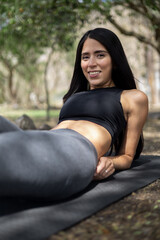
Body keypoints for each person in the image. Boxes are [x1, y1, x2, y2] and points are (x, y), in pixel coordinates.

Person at [0, 28, 148, 201]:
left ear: (114, 60)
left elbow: (128, 157)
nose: (91, 63)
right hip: (44, 140)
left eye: (100, 55)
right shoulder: (74, 96)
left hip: (74, 152)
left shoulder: (132, 97)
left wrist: (111, 162)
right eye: (85, 57)